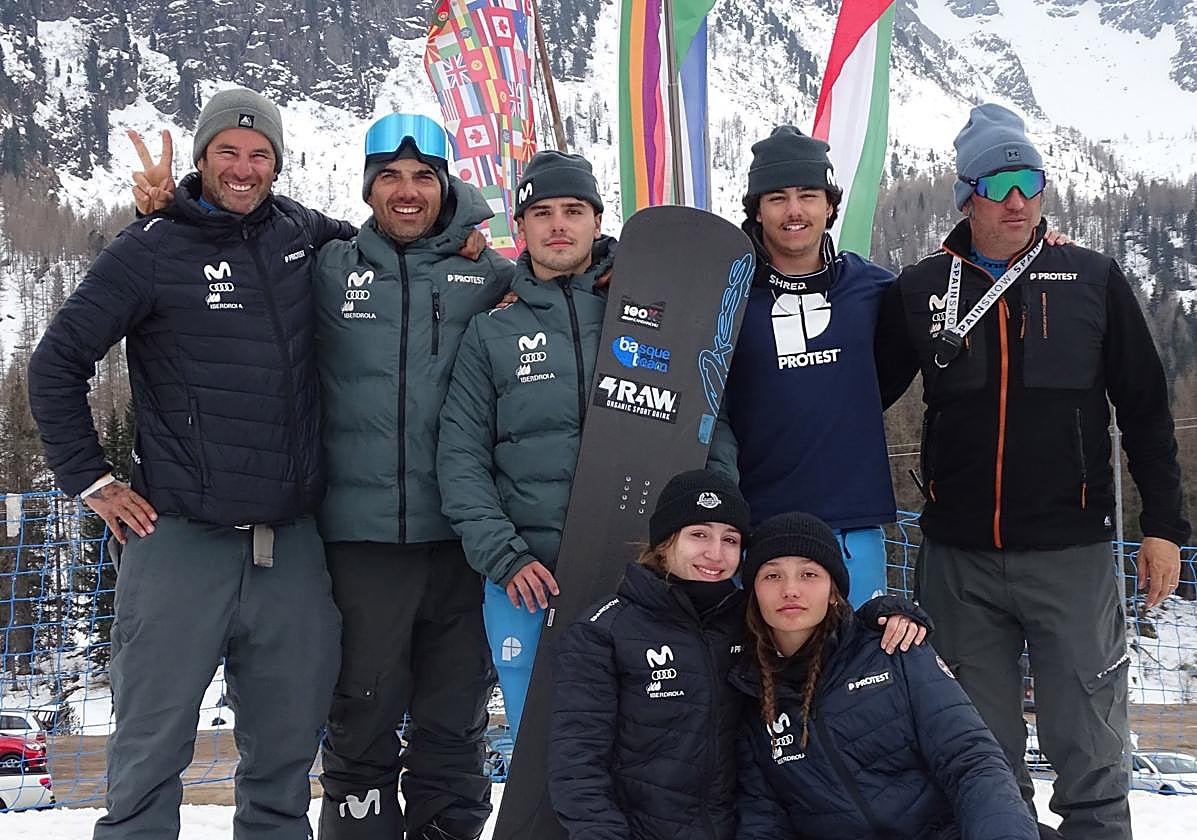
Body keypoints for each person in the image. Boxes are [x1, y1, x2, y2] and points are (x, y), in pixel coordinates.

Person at [28, 88, 347, 840]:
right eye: (228, 152)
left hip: (291, 545)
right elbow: (57, 363)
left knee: (285, 753)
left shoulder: (302, 231)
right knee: (147, 751)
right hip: (178, 541)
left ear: (277, 163)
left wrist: (470, 243)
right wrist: (92, 479)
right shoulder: (151, 249)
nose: (243, 168)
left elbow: (394, 250)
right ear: (202, 158)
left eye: (259, 154)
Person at [874, 103, 1191, 839]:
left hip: (1072, 556)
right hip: (958, 564)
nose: (1016, 199)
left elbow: (1144, 411)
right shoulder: (920, 290)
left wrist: (1165, 530)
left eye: (1029, 180)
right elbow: (855, 394)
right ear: (966, 194)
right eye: (997, 181)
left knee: (1089, 749)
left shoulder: (1090, 278)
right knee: (974, 755)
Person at [436, 150, 738, 739]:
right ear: (519, 227)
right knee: (539, 752)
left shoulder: (648, 309)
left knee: (653, 747)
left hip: (649, 575)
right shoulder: (491, 329)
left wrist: (708, 535)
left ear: (597, 221)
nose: (558, 226)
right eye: (541, 212)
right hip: (531, 577)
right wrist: (505, 556)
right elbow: (461, 458)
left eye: (574, 211)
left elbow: (710, 428)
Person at [312, 113, 513, 840]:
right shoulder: (328, 267)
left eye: (423, 177)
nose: (406, 192)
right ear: (368, 188)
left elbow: (565, 289)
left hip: (463, 543)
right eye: (390, 177)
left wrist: (610, 256)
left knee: (454, 721)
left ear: (445, 185)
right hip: (361, 543)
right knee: (359, 714)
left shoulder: (489, 274)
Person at [547, 471, 930, 840]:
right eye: (699, 535)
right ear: (665, 544)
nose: (716, 554)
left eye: (730, 540)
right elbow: (578, 766)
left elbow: (823, 630)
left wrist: (887, 614)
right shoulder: (604, 632)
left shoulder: (749, 618)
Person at [733, 511, 1039, 840]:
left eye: (809, 574)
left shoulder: (893, 649)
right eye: (772, 576)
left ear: (834, 589)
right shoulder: (751, 694)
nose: (790, 590)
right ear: (754, 592)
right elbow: (764, 817)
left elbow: (970, 761)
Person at [724, 126, 898, 607]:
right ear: (757, 211)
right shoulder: (727, 298)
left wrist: (1040, 247)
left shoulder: (873, 288)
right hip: (759, 530)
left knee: (859, 674)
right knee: (764, 678)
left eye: (808, 195)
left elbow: (953, 294)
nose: (794, 211)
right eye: (777, 197)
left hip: (853, 529)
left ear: (829, 205)